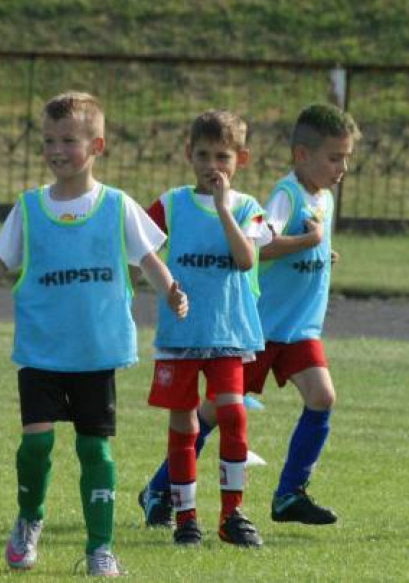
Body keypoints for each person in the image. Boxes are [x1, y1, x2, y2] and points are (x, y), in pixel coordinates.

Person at [0, 91, 188, 576]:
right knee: (36, 445)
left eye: (68, 140)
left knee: (94, 449)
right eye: (49, 140)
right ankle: (29, 521)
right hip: (42, 353)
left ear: (97, 145)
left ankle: (100, 547)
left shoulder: (116, 206)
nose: (57, 150)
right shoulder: (29, 208)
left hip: (94, 354)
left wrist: (172, 291)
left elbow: (149, 260)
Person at [139, 103, 360, 530]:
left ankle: (289, 494)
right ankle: (160, 487)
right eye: (335, 157)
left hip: (299, 329)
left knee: (322, 396)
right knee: (216, 413)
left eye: (346, 157)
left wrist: (318, 249)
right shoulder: (284, 195)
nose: (342, 166)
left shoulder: (325, 198)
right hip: (258, 327)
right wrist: (305, 242)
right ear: (302, 155)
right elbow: (260, 246)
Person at [143, 110, 271, 548]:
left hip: (228, 333)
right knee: (184, 424)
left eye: (222, 156)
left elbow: (246, 259)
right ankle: (185, 518)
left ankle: (232, 515)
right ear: (187, 155)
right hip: (181, 335)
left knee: (233, 414)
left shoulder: (250, 208)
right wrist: (166, 287)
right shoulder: (171, 203)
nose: (212, 165)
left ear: (242, 159)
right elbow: (140, 248)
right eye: (202, 155)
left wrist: (222, 208)